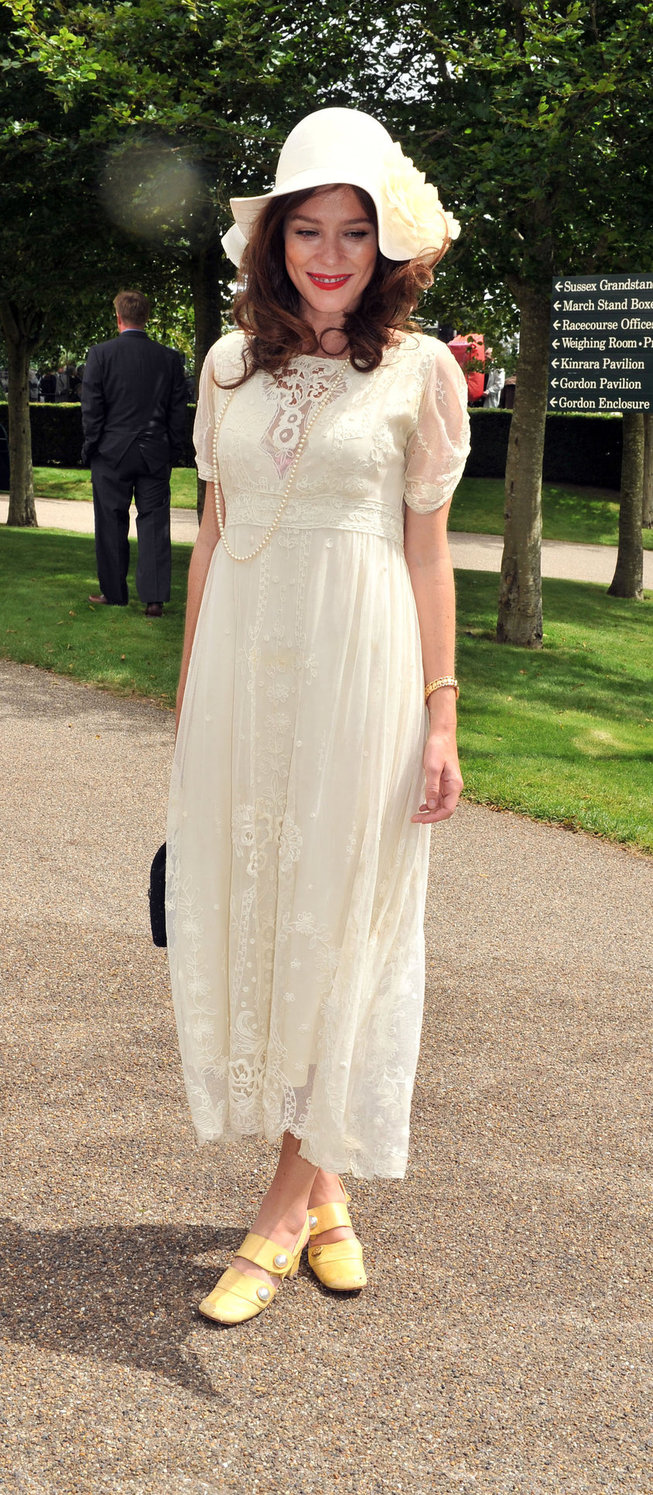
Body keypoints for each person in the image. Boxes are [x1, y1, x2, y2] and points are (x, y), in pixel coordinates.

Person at [166, 107, 471, 1325]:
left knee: (343, 924)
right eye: (307, 230)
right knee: (273, 921)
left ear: (385, 242)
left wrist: (440, 716)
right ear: (275, 243)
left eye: (354, 230)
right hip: (246, 679)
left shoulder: (421, 371)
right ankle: (327, 1185)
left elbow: (428, 554)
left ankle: (281, 1214)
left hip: (364, 677)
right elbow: (216, 536)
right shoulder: (226, 368)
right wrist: (191, 697)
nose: (330, 253)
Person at [81, 290, 187, 616]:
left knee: (110, 523)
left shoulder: (100, 355)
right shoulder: (169, 358)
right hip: (155, 452)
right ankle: (154, 599)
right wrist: (173, 448)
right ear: (146, 316)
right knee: (155, 524)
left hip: (111, 453)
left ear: (118, 318)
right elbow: (177, 411)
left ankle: (113, 594)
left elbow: (92, 408)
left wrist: (92, 445)